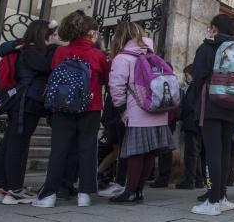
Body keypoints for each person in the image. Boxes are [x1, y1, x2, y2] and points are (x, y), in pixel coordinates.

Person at [32, 12, 109, 208]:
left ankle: (49, 194)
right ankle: (85, 193)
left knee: (59, 148)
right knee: (87, 148)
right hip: (90, 106)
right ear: (91, 33)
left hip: (62, 105)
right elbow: (106, 79)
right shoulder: (97, 54)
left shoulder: (60, 52)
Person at [0, 20, 58, 205]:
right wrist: (53, 48)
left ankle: (3, 187)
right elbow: (46, 65)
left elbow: (3, 49)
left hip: (19, 100)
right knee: (18, 144)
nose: (53, 37)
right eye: (51, 34)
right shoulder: (33, 51)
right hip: (27, 102)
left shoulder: (21, 48)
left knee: (10, 141)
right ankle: (15, 190)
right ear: (43, 34)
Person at [106, 22, 172, 204]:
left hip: (138, 111)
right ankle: (139, 191)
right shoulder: (152, 55)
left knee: (136, 153)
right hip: (159, 110)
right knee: (149, 153)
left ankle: (129, 191)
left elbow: (116, 85)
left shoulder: (123, 58)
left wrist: (120, 107)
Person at [189, 13, 234, 215]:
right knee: (224, 151)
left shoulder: (207, 47)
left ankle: (212, 202)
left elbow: (199, 75)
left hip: (211, 102)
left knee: (212, 151)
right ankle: (222, 197)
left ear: (214, 29)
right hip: (233, 103)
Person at [176, 64, 203, 189]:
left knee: (191, 153)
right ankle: (198, 180)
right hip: (198, 123)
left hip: (191, 123)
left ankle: (189, 180)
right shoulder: (200, 86)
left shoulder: (193, 86)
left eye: (186, 75)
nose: (185, 78)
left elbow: (188, 106)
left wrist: (180, 115)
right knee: (196, 153)